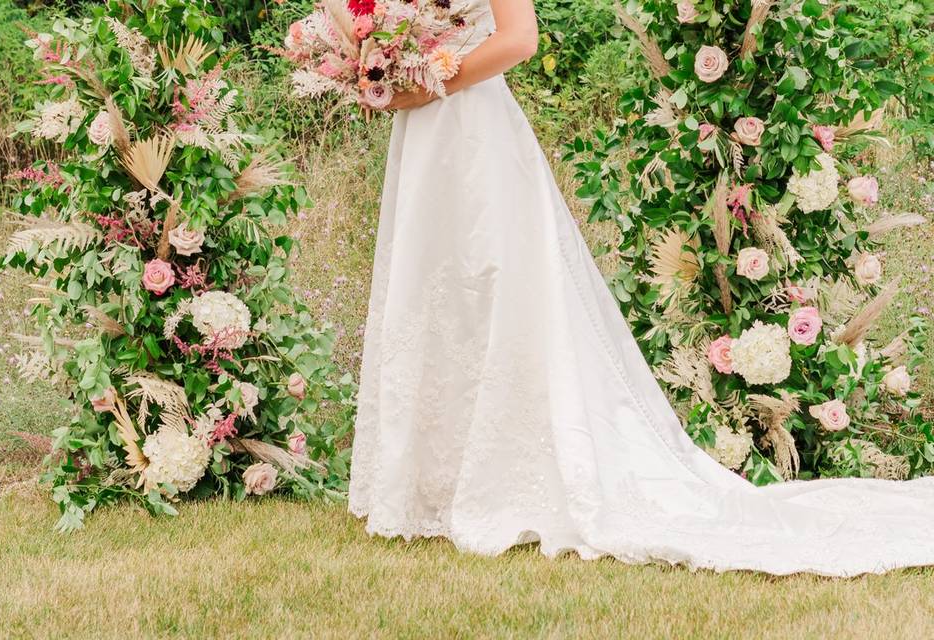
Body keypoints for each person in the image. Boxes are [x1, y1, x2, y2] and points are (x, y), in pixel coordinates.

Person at [347, 0, 934, 575]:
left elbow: (519, 38)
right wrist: (370, 61)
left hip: (473, 131)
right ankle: (427, 486)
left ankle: (500, 479)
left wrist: (430, 82)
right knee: (434, 297)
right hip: (424, 134)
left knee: (495, 293)